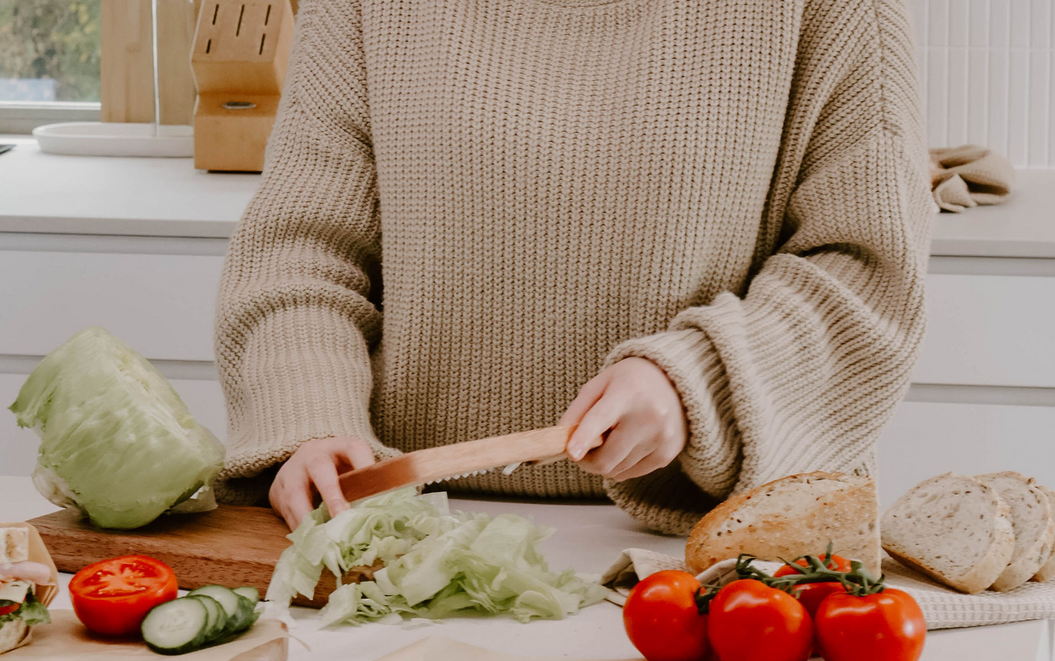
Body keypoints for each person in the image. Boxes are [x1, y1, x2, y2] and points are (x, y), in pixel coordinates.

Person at [213, 0, 930, 531]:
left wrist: (695, 382)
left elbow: (864, 270)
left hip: (708, 545)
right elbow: (301, 255)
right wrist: (310, 417)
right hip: (408, 535)